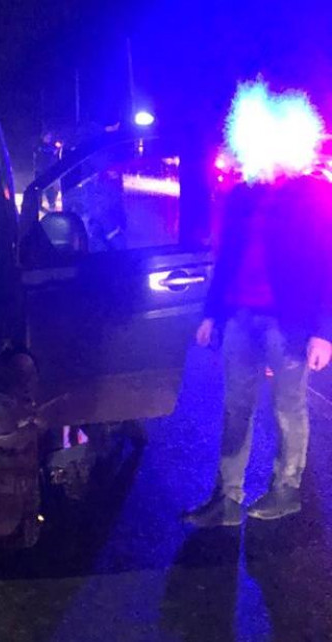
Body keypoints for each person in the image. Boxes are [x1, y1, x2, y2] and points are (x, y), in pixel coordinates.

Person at [184, 82, 332, 527]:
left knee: (288, 408)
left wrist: (324, 331)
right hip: (241, 317)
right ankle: (227, 498)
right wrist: (211, 314)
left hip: (290, 322)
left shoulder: (312, 193)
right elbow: (226, 258)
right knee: (236, 408)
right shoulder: (241, 195)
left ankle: (286, 489)